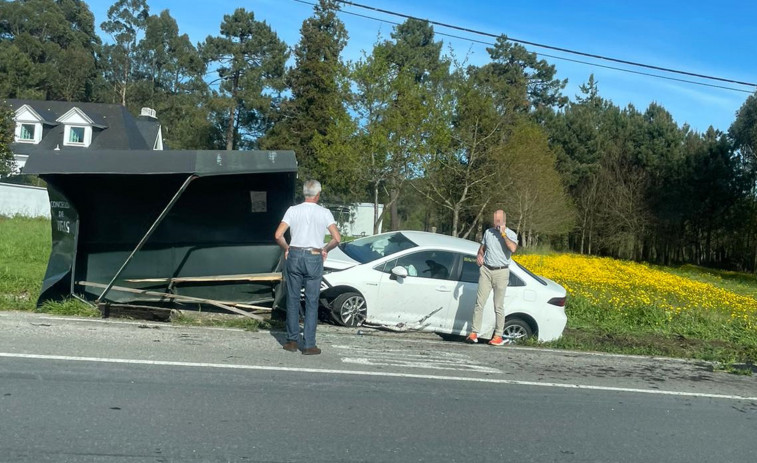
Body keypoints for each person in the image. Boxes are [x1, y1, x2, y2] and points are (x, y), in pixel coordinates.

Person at [274, 180, 341, 355]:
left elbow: (278, 235)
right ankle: (309, 344)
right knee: (312, 301)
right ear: (318, 195)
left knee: (293, 299)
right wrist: (325, 249)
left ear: (304, 193)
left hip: (295, 254)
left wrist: (286, 248)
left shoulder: (292, 210)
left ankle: (291, 341)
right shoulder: (325, 213)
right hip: (314, 256)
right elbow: (337, 238)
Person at [466, 209, 519, 346]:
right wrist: (479, 255)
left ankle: (498, 335)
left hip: (501, 272)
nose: (497, 222)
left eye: (499, 220)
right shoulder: (488, 232)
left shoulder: (511, 234)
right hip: (486, 270)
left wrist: (503, 234)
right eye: (495, 219)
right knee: (480, 302)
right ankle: (474, 332)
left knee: (498, 305)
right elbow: (482, 248)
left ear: (504, 220)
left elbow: (513, 249)